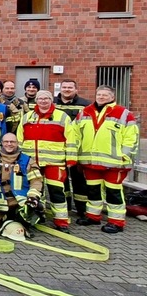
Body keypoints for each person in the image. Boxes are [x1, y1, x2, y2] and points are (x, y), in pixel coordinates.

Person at [75, 85, 140, 233]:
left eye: (105, 95)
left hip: (115, 163)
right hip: (90, 162)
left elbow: (131, 138)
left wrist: (124, 156)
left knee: (113, 192)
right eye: (99, 94)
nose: (101, 97)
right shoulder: (85, 112)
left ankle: (116, 222)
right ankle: (93, 216)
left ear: (112, 97)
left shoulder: (123, 113)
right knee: (93, 191)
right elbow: (76, 134)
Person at [17, 90, 76, 232]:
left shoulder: (62, 117)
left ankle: (61, 221)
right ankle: (39, 215)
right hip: (33, 163)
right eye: (40, 99)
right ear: (36, 101)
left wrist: (71, 158)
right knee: (37, 191)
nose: (43, 101)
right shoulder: (27, 117)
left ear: (51, 100)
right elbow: (20, 138)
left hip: (54, 163)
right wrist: (20, 159)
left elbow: (72, 139)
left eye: (46, 99)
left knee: (56, 191)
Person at [0, 133, 44, 237]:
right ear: (2, 143)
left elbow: (36, 181)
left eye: (12, 142)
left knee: (26, 216)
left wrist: (32, 198)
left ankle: (21, 218)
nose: (9, 144)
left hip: (19, 202)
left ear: (17, 143)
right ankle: (4, 217)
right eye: (6, 142)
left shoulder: (27, 161)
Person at [53, 79, 92, 217]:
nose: (67, 90)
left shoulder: (86, 105)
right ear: (60, 89)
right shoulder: (52, 103)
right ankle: (66, 206)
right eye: (64, 87)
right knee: (61, 180)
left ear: (76, 89)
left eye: (70, 87)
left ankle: (82, 209)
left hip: (77, 149)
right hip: (57, 148)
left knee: (79, 180)